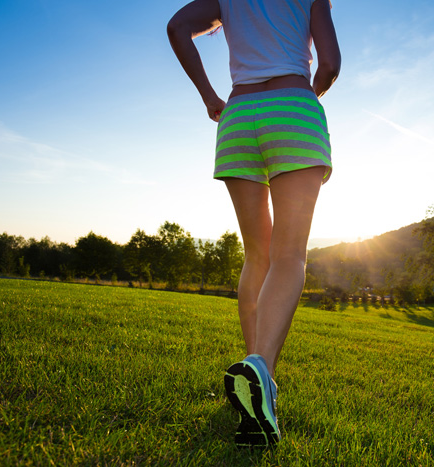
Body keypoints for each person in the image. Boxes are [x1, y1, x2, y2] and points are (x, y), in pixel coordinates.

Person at [167, 0, 340, 448]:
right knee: (290, 254)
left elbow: (177, 26)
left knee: (256, 254)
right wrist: (308, 95)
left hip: (238, 116)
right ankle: (261, 368)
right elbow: (331, 63)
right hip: (293, 107)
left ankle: (258, 377)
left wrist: (209, 97)